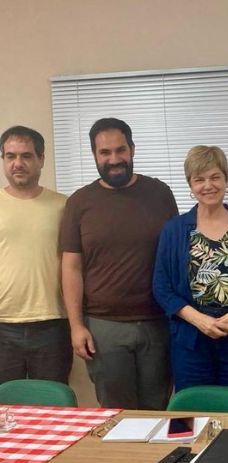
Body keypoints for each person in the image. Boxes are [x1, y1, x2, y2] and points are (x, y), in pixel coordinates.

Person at [60, 117, 178, 409]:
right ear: (94, 155)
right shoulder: (79, 202)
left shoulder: (160, 194)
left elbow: (176, 254)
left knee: (158, 408)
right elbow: (71, 268)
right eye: (105, 152)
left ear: (132, 149)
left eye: (120, 150)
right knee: (116, 413)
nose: (114, 159)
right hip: (103, 327)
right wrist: (76, 326)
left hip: (157, 323)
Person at [153, 145, 228, 393]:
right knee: (192, 409)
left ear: (226, 180)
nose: (208, 185)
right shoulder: (174, 230)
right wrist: (199, 320)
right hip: (190, 341)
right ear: (190, 185)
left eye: (215, 177)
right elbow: (161, 287)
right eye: (199, 179)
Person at [0, 126, 72, 384]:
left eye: (26, 156)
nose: (17, 163)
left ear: (41, 159)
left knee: (53, 400)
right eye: (10, 156)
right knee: (5, 403)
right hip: (3, 324)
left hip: (52, 324)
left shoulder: (64, 206)